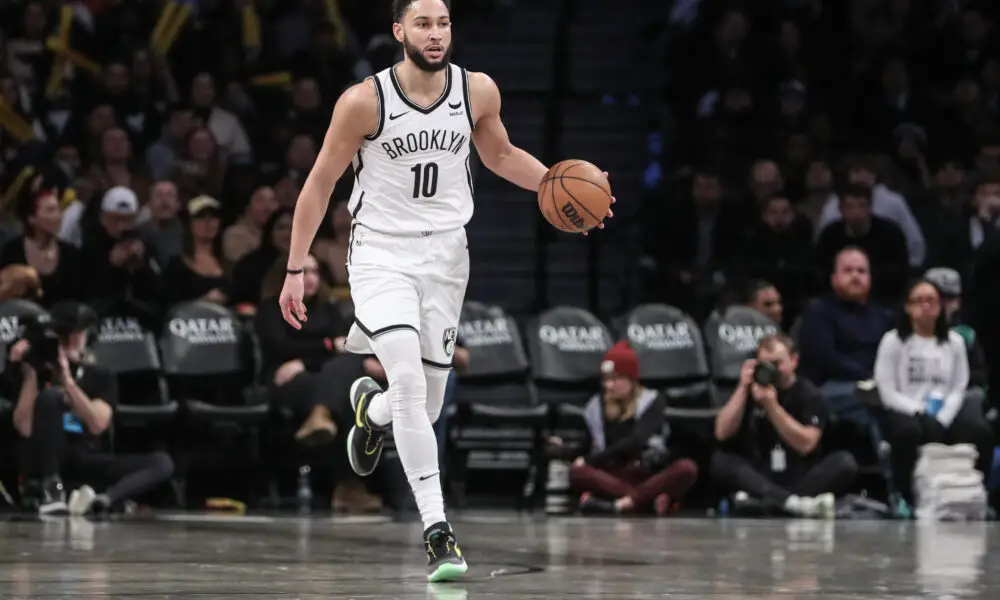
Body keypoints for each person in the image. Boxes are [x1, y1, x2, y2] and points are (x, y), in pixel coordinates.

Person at [276, 0, 613, 581]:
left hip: (446, 256)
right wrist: (293, 268)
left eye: (444, 23)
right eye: (424, 24)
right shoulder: (364, 101)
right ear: (398, 30)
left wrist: (564, 187)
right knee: (407, 378)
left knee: (423, 404)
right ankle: (439, 533)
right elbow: (320, 183)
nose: (435, 34)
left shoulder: (477, 90)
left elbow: (501, 156)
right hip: (382, 253)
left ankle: (372, 412)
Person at [8, 302, 174, 516]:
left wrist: (68, 381)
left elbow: (98, 423)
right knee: (50, 397)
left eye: (76, 334)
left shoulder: (100, 376)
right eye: (63, 335)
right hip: (48, 461)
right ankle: (54, 492)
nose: (69, 341)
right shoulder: (33, 374)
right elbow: (24, 427)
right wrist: (31, 374)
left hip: (85, 458)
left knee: (162, 462)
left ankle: (105, 499)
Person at [873, 279, 994, 504]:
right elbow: (887, 391)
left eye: (931, 301)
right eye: (919, 301)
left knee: (981, 432)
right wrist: (921, 413)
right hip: (906, 409)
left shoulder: (955, 343)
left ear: (940, 307)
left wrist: (942, 418)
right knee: (907, 432)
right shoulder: (892, 341)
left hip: (945, 412)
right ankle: (903, 496)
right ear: (908, 307)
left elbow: (959, 386)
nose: (925, 306)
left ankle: (977, 496)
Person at [712, 334, 858, 518]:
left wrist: (771, 406)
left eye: (777, 363)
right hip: (760, 474)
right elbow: (722, 433)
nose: (771, 370)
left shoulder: (810, 394)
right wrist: (742, 387)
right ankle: (792, 504)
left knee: (844, 462)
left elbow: (806, 444)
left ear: (794, 361)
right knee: (721, 461)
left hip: (799, 475)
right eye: (764, 364)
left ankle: (768, 502)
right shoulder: (749, 390)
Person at [550, 342, 699, 516]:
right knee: (576, 473)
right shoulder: (596, 406)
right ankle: (643, 501)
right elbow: (586, 447)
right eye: (606, 380)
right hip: (613, 474)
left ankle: (625, 503)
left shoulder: (652, 401)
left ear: (631, 379)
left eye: (615, 379)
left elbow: (635, 441)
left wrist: (591, 460)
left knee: (687, 468)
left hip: (646, 472)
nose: (609, 386)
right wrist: (562, 450)